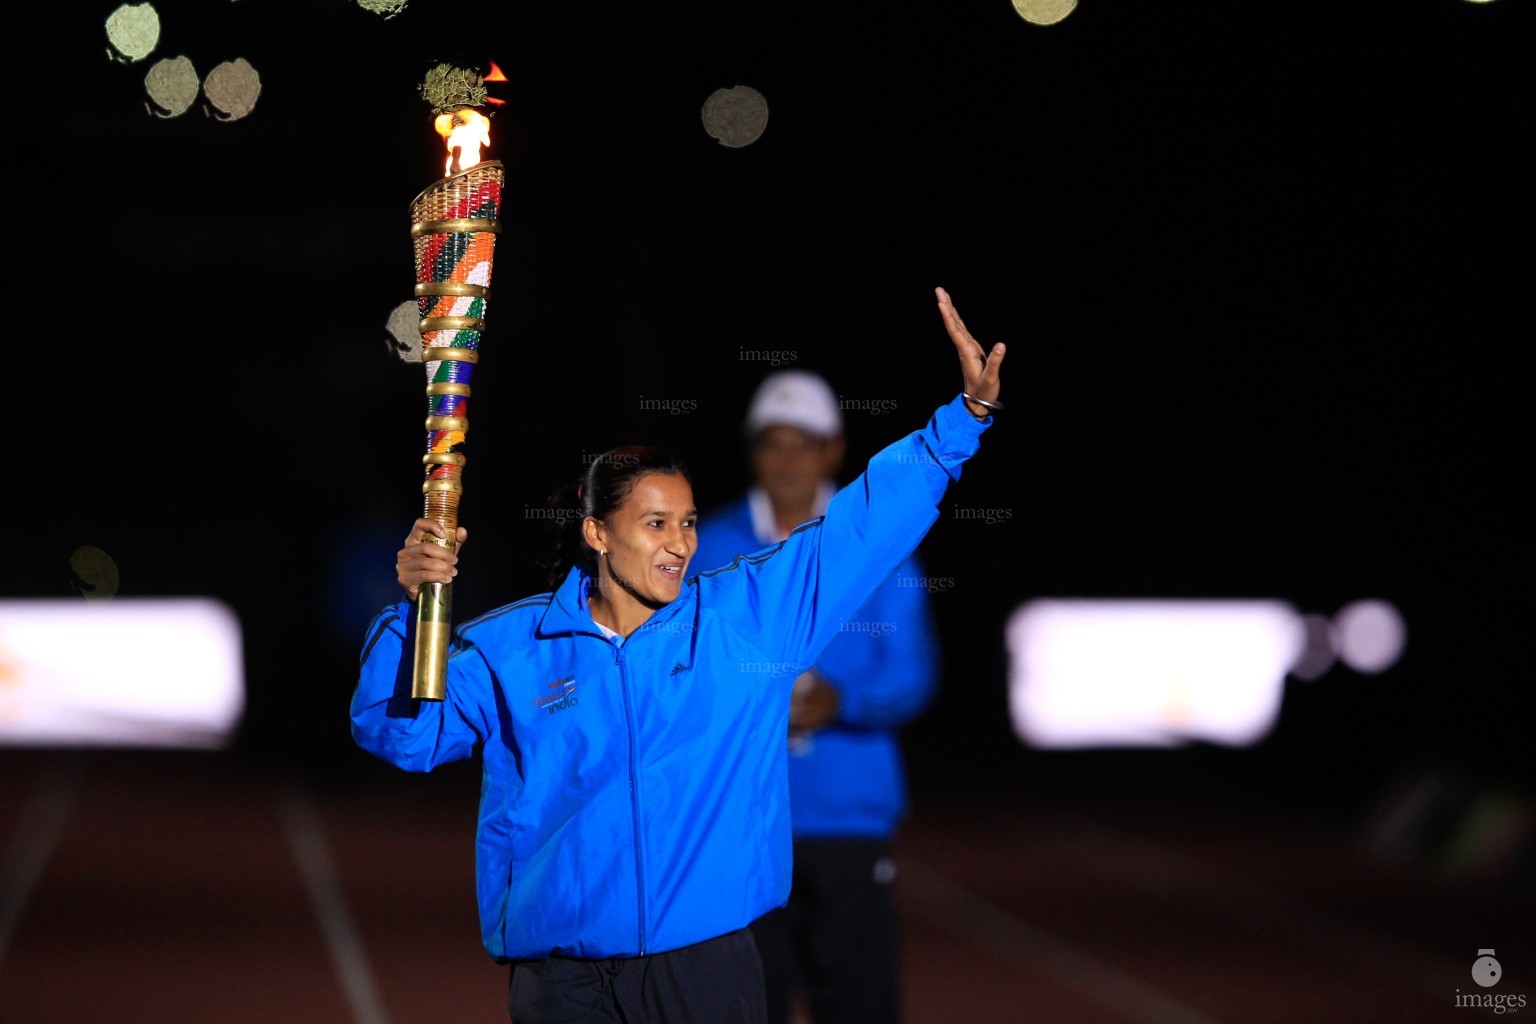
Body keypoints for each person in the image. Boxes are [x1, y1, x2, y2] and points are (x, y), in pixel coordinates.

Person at [350, 287, 1005, 1024]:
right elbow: (399, 736)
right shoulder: (512, 648)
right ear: (597, 534)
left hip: (704, 970)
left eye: (688, 522)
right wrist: (413, 613)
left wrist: (963, 421)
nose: (681, 543)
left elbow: (859, 529)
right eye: (655, 522)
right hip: (562, 976)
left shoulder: (742, 622)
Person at [692, 369, 939, 1024]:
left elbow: (911, 673)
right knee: (744, 1007)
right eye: (773, 442)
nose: (788, 459)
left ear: (833, 450)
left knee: (858, 1005)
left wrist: (843, 700)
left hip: (845, 818)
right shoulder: (706, 546)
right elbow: (676, 667)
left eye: (805, 443)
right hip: (740, 818)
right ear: (752, 451)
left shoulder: (880, 547)